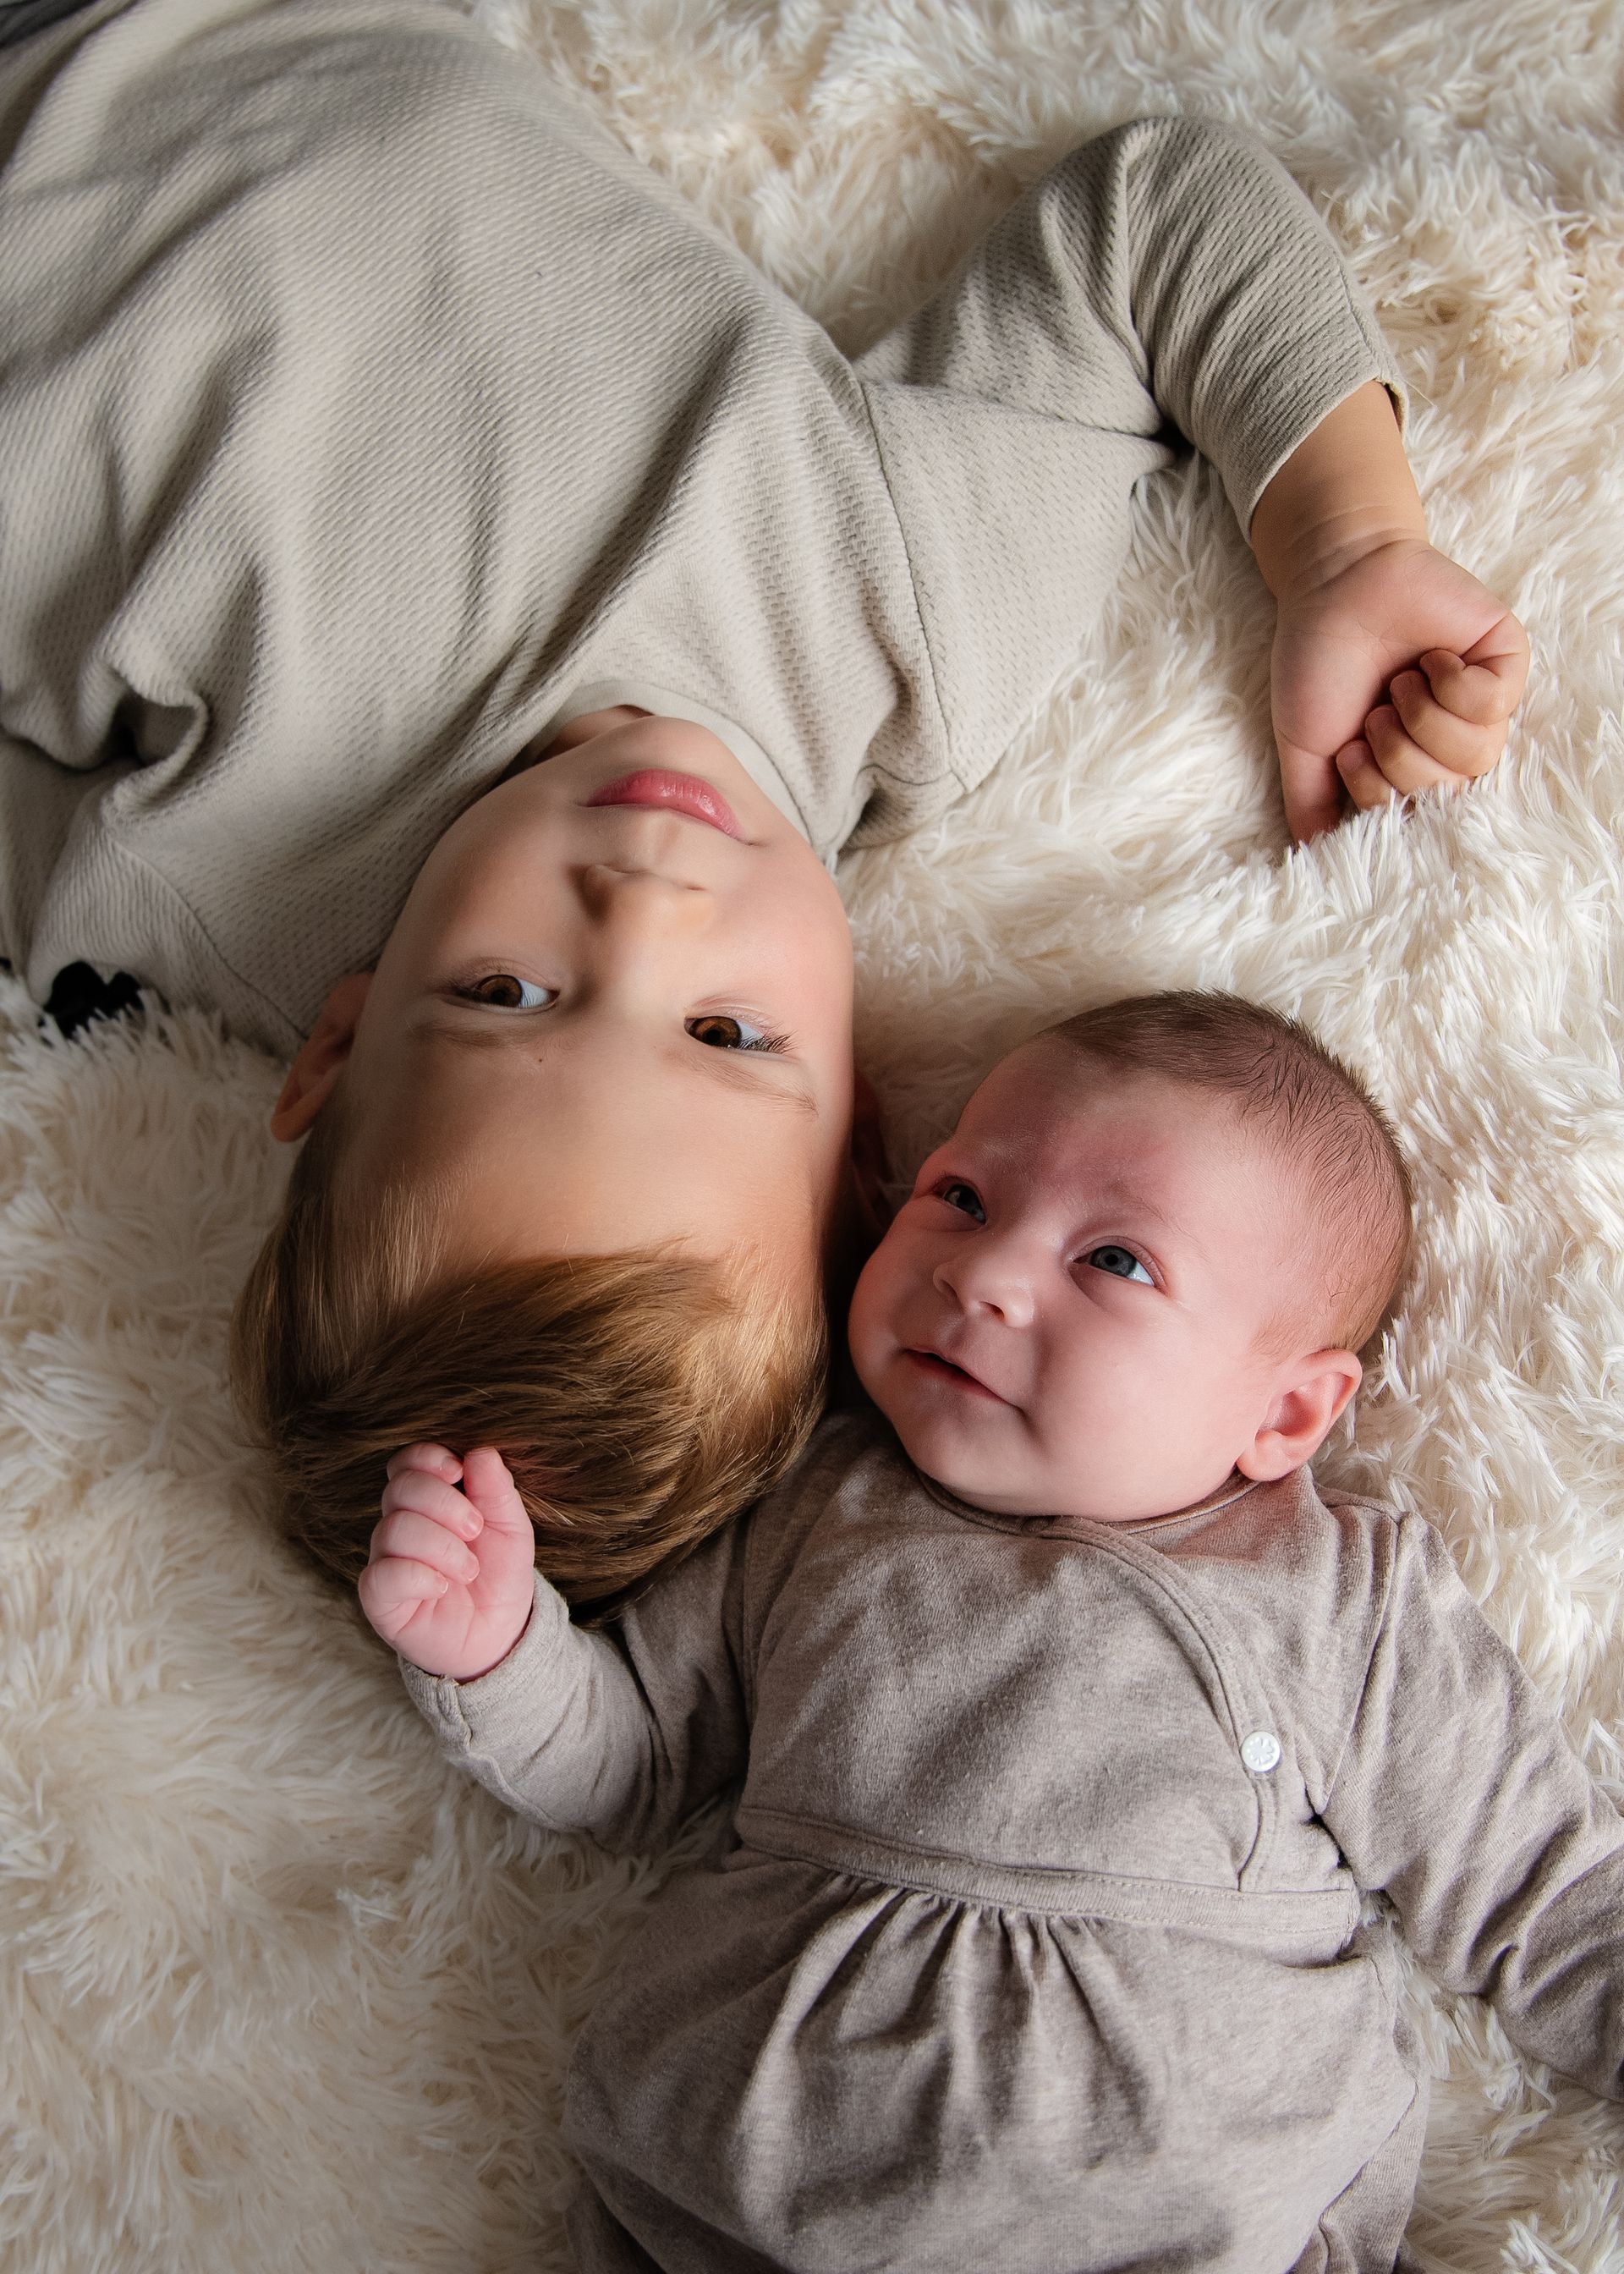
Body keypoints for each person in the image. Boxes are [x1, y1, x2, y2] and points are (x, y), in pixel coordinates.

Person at [0, 0, 1529, 1607]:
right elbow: (1156, 213)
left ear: (336, 1038)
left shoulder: (233, 900)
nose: (646, 898)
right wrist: (1347, 546)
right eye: (726, 1036)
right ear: (868, 1128)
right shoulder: (902, 626)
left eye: (509, 994)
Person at [365, 992, 1624, 2274]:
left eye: (1116, 1262)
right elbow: (633, 1767)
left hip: (1183, 2220)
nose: (983, 1272)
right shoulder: (813, 1504)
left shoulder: (1334, 1595)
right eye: (962, 1195)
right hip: (743, 2201)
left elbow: (1544, 1888)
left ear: (1287, 1411)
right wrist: (499, 1647)